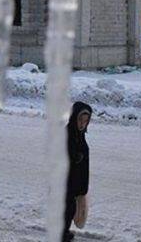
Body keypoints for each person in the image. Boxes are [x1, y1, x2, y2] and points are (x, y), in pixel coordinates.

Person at [63, 101, 92, 242]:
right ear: (74, 118)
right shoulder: (67, 134)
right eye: (80, 120)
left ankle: (63, 232)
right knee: (67, 210)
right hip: (65, 181)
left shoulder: (79, 134)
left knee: (70, 209)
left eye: (86, 121)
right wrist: (74, 156)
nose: (82, 124)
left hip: (74, 181)